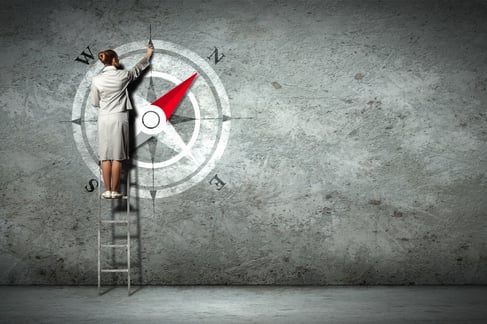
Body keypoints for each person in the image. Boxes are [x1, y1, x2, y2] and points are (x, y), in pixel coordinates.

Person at [90, 46, 153, 199]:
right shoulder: (123, 75)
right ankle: (115, 191)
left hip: (104, 118)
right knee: (117, 156)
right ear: (113, 60)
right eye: (116, 58)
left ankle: (107, 191)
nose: (118, 60)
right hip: (119, 118)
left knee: (105, 156)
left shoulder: (96, 79)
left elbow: (95, 102)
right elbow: (137, 70)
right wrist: (147, 56)